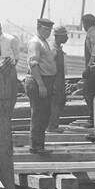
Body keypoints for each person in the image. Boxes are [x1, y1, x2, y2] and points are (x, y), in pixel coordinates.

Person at [24, 18, 57, 152]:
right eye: (45, 29)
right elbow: (33, 64)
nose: (48, 32)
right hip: (39, 81)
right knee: (38, 114)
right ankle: (36, 146)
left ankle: (39, 145)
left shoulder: (43, 42)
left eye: (49, 30)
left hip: (45, 81)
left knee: (44, 114)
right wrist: (41, 85)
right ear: (38, 28)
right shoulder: (35, 43)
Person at [78, 13, 95, 127]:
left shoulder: (93, 34)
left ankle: (93, 119)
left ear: (85, 23)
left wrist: (88, 68)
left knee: (88, 93)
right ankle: (94, 118)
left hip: (94, 69)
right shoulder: (92, 33)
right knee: (91, 93)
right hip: (94, 68)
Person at [48, 26, 69, 132]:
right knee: (55, 103)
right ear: (59, 36)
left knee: (60, 101)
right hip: (55, 81)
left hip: (60, 80)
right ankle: (52, 126)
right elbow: (49, 66)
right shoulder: (53, 49)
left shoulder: (58, 48)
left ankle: (54, 124)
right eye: (65, 35)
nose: (67, 37)